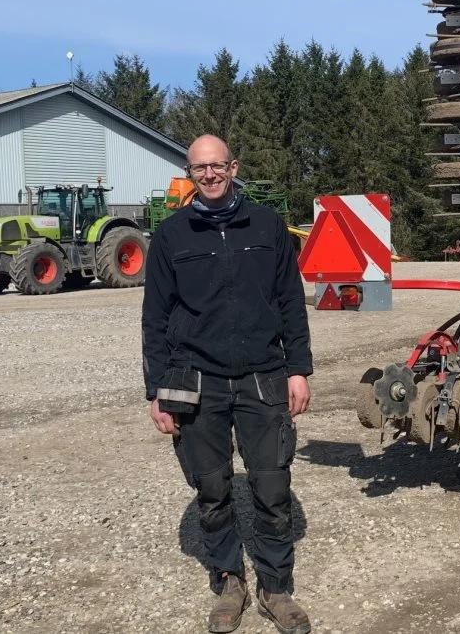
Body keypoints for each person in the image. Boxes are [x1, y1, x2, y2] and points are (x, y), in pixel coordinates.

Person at [141, 134, 313, 634]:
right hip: (195, 379)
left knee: (273, 485)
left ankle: (275, 587)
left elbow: (290, 301)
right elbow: (155, 317)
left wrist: (298, 368)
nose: (210, 175)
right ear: (188, 173)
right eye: (200, 168)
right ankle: (229, 582)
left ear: (233, 167)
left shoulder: (267, 225)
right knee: (211, 488)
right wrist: (157, 390)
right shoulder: (173, 235)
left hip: (263, 375)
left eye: (217, 166)